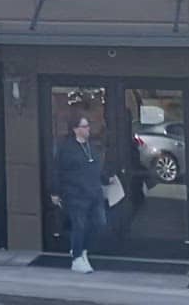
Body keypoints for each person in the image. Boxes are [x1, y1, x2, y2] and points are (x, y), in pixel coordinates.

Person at [50, 116, 110, 273]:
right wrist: (55, 192)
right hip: (75, 193)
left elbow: (97, 166)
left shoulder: (92, 146)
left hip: (94, 192)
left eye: (88, 126)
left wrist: (106, 178)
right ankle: (77, 258)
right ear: (75, 129)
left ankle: (82, 250)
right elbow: (57, 170)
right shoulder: (66, 148)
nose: (88, 129)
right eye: (84, 126)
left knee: (100, 223)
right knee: (79, 225)